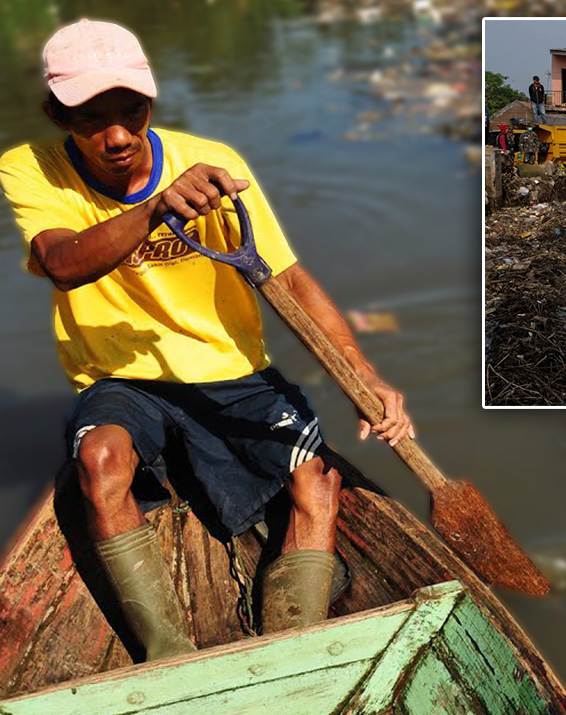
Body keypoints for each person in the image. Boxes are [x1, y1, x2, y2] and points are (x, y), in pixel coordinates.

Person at [0, 20, 413, 661]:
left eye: (130, 112)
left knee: (317, 481)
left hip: (231, 369)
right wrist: (156, 207)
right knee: (100, 464)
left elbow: (289, 278)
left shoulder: (214, 165)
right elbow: (62, 261)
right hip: (122, 379)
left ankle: (292, 639)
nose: (116, 136)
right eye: (90, 118)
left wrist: (362, 375)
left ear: (150, 103)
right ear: (58, 114)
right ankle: (168, 655)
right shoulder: (31, 169)